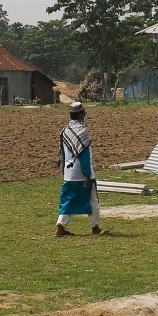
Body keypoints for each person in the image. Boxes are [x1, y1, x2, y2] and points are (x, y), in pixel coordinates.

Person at [56, 101, 103, 236]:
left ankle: (60, 227)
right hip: (82, 173)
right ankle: (95, 227)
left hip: (69, 172)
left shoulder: (65, 131)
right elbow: (84, 156)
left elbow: (64, 154)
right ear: (81, 115)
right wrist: (87, 175)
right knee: (92, 199)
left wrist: (65, 172)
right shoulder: (82, 132)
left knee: (67, 199)